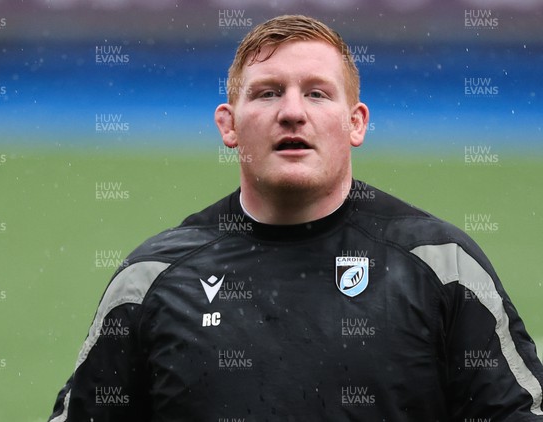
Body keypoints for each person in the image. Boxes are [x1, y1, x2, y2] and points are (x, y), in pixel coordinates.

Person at [49, 14, 543, 421]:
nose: (291, 112)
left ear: (355, 123)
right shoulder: (152, 280)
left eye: (317, 93)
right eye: (266, 93)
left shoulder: (441, 266)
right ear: (228, 125)